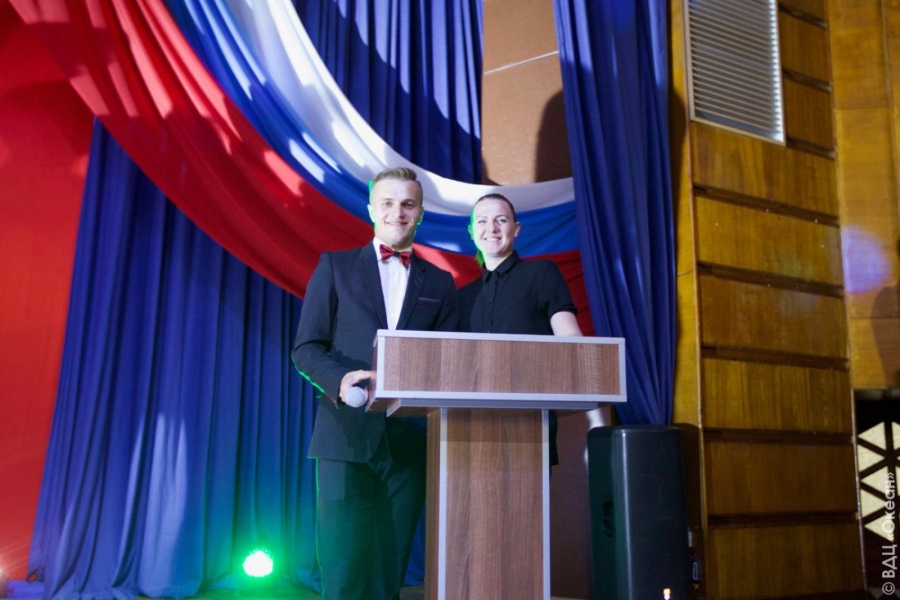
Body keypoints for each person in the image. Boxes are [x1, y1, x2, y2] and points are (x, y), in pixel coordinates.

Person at [291, 167, 459, 600]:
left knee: (388, 578)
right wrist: (340, 379)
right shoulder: (336, 266)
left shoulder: (440, 283)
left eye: (407, 204)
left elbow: (448, 361)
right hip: (344, 438)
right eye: (387, 203)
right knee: (343, 575)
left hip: (408, 443)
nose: (397, 212)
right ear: (370, 210)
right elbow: (306, 348)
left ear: (420, 213)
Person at [458, 192, 582, 465]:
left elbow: (571, 339)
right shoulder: (464, 295)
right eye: (482, 221)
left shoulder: (541, 273)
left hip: (530, 419)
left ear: (516, 229)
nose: (491, 228)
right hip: (471, 423)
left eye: (501, 220)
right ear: (471, 231)